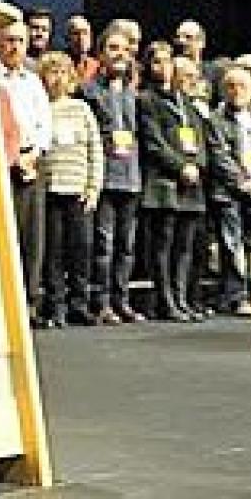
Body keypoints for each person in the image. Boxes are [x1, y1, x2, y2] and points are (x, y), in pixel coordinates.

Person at [138, 46, 210, 322]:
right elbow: (153, 143)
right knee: (163, 245)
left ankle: (181, 299)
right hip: (164, 184)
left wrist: (197, 165)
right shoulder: (146, 100)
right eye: (157, 62)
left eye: (167, 62)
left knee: (185, 247)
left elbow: (200, 140)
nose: (163, 67)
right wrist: (181, 167)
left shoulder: (186, 102)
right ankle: (166, 300)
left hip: (192, 185)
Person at [36, 52, 103, 327]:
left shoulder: (81, 109)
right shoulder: (39, 108)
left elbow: (95, 148)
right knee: (53, 252)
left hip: (78, 190)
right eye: (52, 72)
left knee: (81, 249)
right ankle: (56, 304)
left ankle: (79, 302)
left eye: (63, 72)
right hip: (51, 189)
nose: (57, 78)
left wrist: (93, 186)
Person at [84, 29, 145, 324]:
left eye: (124, 49)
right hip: (105, 177)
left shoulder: (135, 95)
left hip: (131, 177)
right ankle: (102, 301)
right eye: (113, 48)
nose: (120, 53)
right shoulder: (90, 91)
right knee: (104, 244)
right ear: (101, 54)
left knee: (127, 245)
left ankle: (122, 301)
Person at [0, 20, 53, 323]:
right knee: (8, 236)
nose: (15, 46)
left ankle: (30, 303)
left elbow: (44, 123)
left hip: (32, 164)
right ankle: (8, 307)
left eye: (20, 40)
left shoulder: (33, 81)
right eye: (9, 40)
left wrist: (34, 154)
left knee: (33, 238)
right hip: (2, 164)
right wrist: (12, 156)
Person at [210, 65, 251, 316]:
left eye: (243, 86)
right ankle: (237, 297)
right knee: (232, 244)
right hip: (228, 192)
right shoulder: (215, 120)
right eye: (231, 86)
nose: (237, 91)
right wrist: (242, 181)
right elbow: (219, 156)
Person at [65, 13, 100, 83]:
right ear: (68, 38)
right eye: (76, 33)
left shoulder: (99, 66)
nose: (81, 38)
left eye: (85, 33)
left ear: (91, 37)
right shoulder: (61, 64)